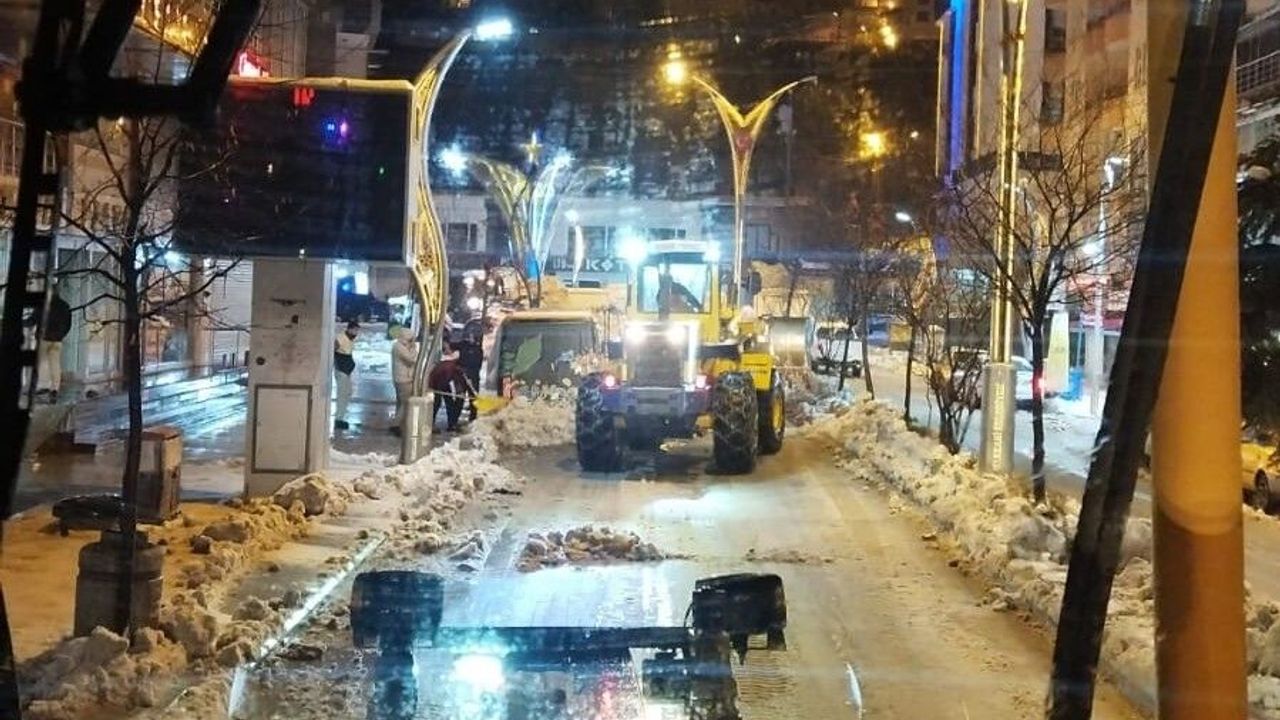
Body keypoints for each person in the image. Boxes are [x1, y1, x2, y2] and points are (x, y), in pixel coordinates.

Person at [39, 285, 72, 403]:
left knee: (43, 362)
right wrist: (61, 335)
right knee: (55, 364)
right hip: (57, 340)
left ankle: (44, 386)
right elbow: (68, 325)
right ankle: (54, 388)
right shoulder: (65, 306)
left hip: (45, 337)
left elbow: (34, 319)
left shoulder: (44, 305)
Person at [428, 343, 468, 433]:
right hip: (444, 384)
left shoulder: (442, 363)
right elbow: (450, 382)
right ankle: (451, 424)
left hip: (438, 383)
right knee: (450, 403)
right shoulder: (452, 366)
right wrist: (456, 393)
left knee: (437, 403)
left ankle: (432, 423)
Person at [390, 326, 417, 435]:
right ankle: (396, 424)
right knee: (405, 403)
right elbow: (411, 360)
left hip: (400, 378)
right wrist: (413, 349)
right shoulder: (399, 347)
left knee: (400, 402)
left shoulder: (398, 346)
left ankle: (399, 423)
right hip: (404, 379)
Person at [333, 320, 359, 430]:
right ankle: (338, 419)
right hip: (341, 370)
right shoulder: (340, 338)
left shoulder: (349, 339)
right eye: (355, 330)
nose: (356, 332)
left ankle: (341, 417)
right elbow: (333, 352)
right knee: (342, 395)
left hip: (346, 371)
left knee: (347, 393)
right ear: (349, 329)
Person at [456, 330, 484, 422]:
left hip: (473, 376)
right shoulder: (463, 345)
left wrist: (470, 375)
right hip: (461, 376)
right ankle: (454, 420)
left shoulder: (478, 350)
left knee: (473, 398)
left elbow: (477, 365)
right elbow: (451, 347)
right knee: (459, 398)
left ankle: (473, 419)